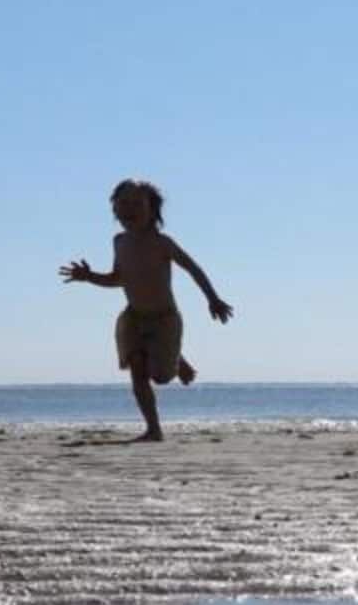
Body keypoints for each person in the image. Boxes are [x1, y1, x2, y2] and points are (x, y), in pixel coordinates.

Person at [59, 179, 233, 442]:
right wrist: (90, 276)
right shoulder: (119, 242)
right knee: (137, 369)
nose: (129, 209)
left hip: (165, 319)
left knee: (161, 377)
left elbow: (192, 268)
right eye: (123, 204)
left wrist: (213, 299)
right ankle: (154, 429)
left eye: (137, 204)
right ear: (114, 210)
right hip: (134, 317)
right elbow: (118, 279)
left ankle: (176, 360)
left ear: (152, 209)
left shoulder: (162, 243)